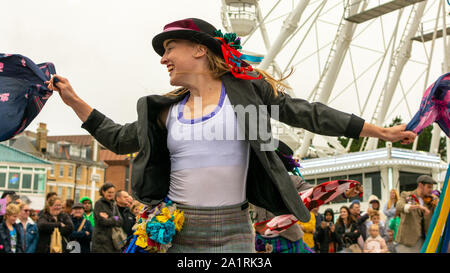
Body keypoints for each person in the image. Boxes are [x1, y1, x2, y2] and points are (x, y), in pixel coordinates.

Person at [46, 17, 416, 253]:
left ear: (199, 49)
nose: (163, 58)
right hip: (175, 229)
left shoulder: (248, 95)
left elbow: (307, 114)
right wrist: (73, 100)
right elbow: (117, 139)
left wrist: (377, 131)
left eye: (170, 48)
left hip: (235, 229)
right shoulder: (162, 111)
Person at [396, 175, 438, 253]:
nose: (431, 190)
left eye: (432, 187)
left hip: (424, 241)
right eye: (429, 187)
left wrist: (438, 206)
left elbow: (437, 218)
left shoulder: (431, 200)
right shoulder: (407, 195)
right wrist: (418, 207)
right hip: (407, 242)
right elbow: (399, 206)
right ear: (420, 185)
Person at [92, 182, 123, 253]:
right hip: (101, 242)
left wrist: (110, 218)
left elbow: (120, 221)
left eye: (113, 192)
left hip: (113, 241)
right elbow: (103, 222)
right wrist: (115, 218)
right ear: (103, 192)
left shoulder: (114, 204)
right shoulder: (99, 204)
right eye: (109, 192)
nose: (111, 194)